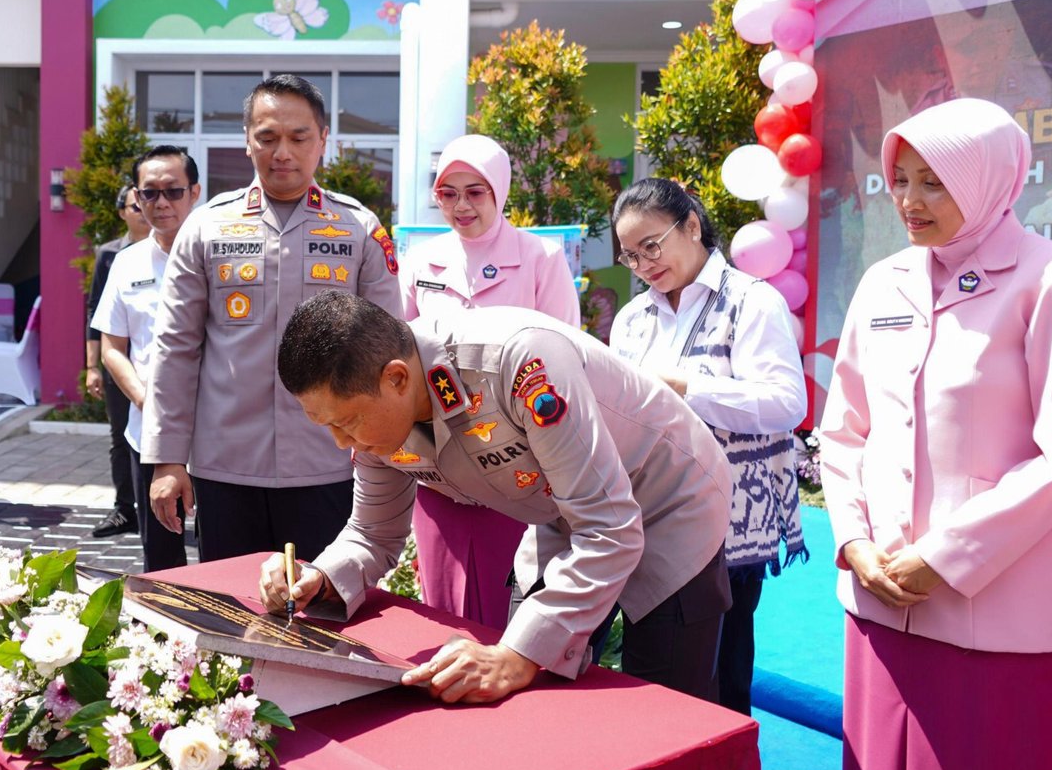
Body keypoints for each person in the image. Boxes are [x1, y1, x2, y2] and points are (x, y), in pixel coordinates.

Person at [818, 98, 1052, 770]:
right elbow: (845, 429)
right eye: (900, 180)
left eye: (935, 183)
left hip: (1002, 612)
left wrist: (941, 558)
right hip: (881, 599)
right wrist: (855, 544)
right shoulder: (884, 282)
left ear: (988, 180)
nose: (911, 202)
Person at [260, 291, 733, 705]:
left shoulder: (516, 362)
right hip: (569, 515)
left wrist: (515, 656)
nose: (343, 443)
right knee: (540, 695)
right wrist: (320, 578)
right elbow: (371, 532)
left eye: (346, 423)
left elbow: (610, 528)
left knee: (665, 707)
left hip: (669, 502)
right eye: (328, 426)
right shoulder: (377, 414)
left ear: (397, 379)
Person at [143, 74, 402, 562]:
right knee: (230, 615)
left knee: (325, 617)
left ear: (324, 140)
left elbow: (390, 354)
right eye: (267, 137)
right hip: (225, 469)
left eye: (299, 137)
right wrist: (167, 459)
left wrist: (388, 453)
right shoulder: (205, 228)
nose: (282, 151)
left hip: (329, 464)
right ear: (247, 141)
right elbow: (175, 348)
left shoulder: (358, 230)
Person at [610, 177, 808, 715]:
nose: (644, 264)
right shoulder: (633, 318)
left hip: (730, 516)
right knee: (660, 668)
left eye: (652, 246)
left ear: (691, 226)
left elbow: (788, 403)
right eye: (630, 256)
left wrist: (686, 390)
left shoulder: (751, 301)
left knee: (722, 670)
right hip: (651, 513)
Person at [399, 133, 580, 628]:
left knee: (512, 600)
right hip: (440, 459)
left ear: (499, 190)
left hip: (518, 456)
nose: (461, 205)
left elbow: (566, 357)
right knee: (442, 599)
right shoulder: (422, 260)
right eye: (448, 193)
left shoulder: (540, 256)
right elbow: (399, 357)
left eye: (475, 191)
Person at [92, 147, 200, 571]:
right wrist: (145, 400)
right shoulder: (126, 262)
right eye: (149, 194)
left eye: (173, 191)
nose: (161, 203)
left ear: (194, 192)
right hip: (149, 429)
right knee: (161, 553)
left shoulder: (223, 257)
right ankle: (165, 635)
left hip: (215, 432)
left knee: (222, 553)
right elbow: (112, 348)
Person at [85, 184, 151, 538]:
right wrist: (92, 365)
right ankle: (125, 508)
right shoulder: (109, 255)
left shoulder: (176, 249)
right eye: (134, 205)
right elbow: (96, 311)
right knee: (121, 437)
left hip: (156, 367)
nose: (142, 209)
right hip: (117, 363)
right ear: (122, 212)